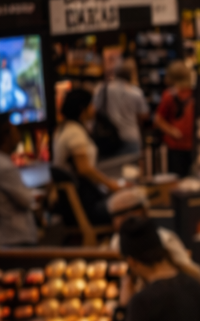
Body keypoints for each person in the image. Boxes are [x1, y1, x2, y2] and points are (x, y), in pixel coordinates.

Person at [55, 88, 126, 225]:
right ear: (83, 108)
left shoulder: (63, 129)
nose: (94, 108)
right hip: (86, 204)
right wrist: (112, 185)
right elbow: (84, 169)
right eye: (91, 104)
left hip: (78, 202)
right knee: (134, 203)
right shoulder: (75, 133)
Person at [93, 62, 149, 164]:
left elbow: (94, 109)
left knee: (108, 173)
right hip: (131, 136)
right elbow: (144, 115)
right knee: (131, 173)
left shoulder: (103, 88)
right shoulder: (136, 92)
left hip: (107, 137)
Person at [0, 115, 38, 245]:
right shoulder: (4, 166)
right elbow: (26, 200)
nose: (19, 132)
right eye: (15, 128)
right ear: (6, 134)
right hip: (16, 237)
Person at [154, 62, 196, 176]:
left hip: (192, 145)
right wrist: (173, 131)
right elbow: (158, 119)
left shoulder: (193, 93)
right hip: (175, 146)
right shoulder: (170, 95)